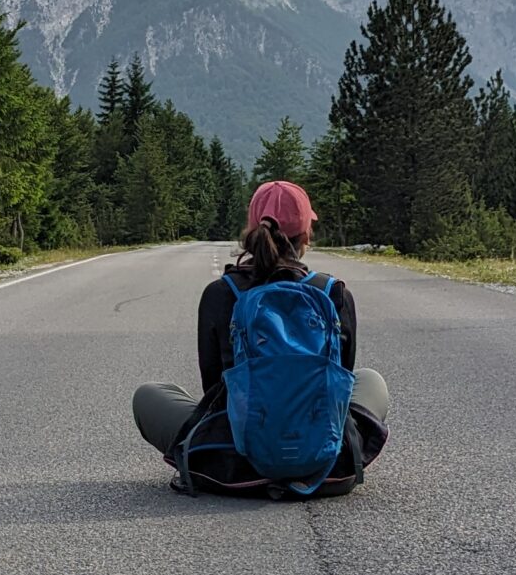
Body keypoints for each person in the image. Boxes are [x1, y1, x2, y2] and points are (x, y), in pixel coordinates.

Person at [132, 178, 390, 495]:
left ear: (252, 232)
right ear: (306, 234)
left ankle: (231, 461)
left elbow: (214, 387)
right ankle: (309, 461)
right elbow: (341, 382)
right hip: (326, 464)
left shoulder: (220, 293)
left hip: (233, 464)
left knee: (148, 395)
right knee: (370, 379)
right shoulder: (333, 293)